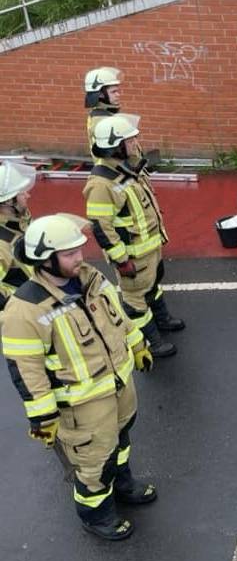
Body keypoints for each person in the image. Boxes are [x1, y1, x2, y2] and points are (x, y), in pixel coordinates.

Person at [0, 213, 156, 540]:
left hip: (117, 386)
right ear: (46, 260)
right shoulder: (25, 309)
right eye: (70, 254)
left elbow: (117, 317)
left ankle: (123, 485)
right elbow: (26, 369)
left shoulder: (90, 279)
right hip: (81, 404)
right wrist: (43, 416)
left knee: (120, 439)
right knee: (93, 462)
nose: (79, 257)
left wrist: (137, 342)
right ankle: (96, 514)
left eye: (79, 250)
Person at [83, 114, 182, 358]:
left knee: (152, 286)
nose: (136, 142)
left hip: (150, 249)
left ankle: (162, 318)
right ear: (116, 146)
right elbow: (100, 227)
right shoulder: (101, 184)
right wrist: (121, 259)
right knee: (135, 300)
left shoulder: (128, 168)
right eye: (130, 139)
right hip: (133, 256)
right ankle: (152, 342)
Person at [0, 161, 36, 310]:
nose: (28, 195)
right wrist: (22, 299)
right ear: (9, 201)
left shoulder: (20, 221)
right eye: (22, 192)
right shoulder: (2, 243)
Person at [84, 67, 123, 156]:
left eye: (118, 91)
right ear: (101, 94)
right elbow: (111, 153)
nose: (118, 95)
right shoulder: (100, 119)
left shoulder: (106, 112)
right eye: (113, 92)